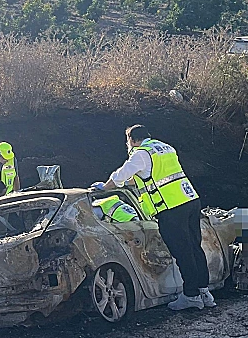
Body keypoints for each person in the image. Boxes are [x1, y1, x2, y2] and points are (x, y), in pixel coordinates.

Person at [90, 124, 215, 310]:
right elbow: (148, 175)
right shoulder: (165, 148)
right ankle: (204, 292)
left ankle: (191, 295)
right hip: (189, 200)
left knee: (182, 252)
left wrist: (105, 187)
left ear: (132, 140)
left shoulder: (141, 153)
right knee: (195, 248)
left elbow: (120, 175)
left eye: (127, 142)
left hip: (171, 208)